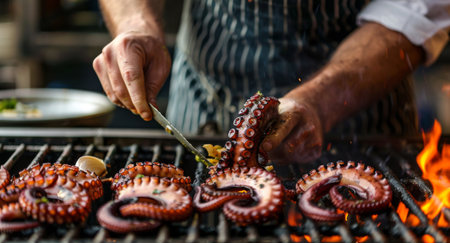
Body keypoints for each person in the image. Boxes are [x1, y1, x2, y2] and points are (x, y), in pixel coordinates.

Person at [93, 0, 450, 164]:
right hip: (205, 95)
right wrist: (135, 25)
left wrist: (320, 101)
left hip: (361, 119)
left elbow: (420, 6)